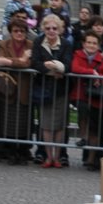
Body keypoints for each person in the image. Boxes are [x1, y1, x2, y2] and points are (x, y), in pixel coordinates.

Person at [0, 17, 34, 162]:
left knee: (23, 121)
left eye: (22, 31)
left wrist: (11, 62)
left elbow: (28, 64)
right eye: (16, 31)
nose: (19, 33)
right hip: (7, 87)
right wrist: (20, 60)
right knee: (7, 120)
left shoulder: (31, 45)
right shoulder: (3, 44)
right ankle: (9, 151)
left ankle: (22, 151)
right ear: (10, 32)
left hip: (25, 88)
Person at [70, 30, 103, 169]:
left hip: (96, 99)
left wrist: (101, 80)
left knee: (94, 130)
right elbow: (75, 68)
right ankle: (83, 135)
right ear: (84, 43)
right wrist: (91, 73)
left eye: (94, 43)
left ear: (98, 45)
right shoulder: (78, 55)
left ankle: (90, 159)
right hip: (80, 95)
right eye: (88, 42)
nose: (91, 45)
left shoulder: (102, 60)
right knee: (83, 110)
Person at [32, 14, 74, 167]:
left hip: (61, 89)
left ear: (60, 29)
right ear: (43, 28)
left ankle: (57, 156)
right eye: (48, 28)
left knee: (60, 125)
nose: (51, 31)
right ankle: (48, 156)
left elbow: (68, 65)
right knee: (46, 124)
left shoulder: (66, 44)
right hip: (44, 88)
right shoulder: (38, 42)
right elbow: (35, 62)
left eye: (54, 28)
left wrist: (59, 67)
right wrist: (49, 68)